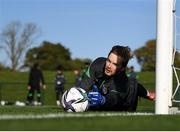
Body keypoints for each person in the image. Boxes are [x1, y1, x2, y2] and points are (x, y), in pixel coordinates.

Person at [78, 45, 155, 112]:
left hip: (125, 107)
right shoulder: (98, 63)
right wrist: (75, 94)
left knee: (132, 85)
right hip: (107, 95)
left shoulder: (122, 81)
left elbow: (113, 99)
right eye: (109, 61)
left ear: (122, 68)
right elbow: (84, 85)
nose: (109, 66)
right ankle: (148, 94)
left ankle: (147, 94)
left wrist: (102, 100)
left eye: (114, 64)